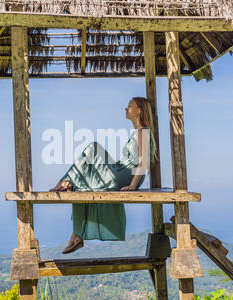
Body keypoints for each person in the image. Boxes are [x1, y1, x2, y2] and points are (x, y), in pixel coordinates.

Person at [50, 97, 158, 254]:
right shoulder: (138, 133)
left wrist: (133, 185)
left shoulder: (143, 133)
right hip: (122, 171)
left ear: (139, 110)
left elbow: (143, 163)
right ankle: (77, 235)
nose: (125, 109)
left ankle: (65, 182)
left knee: (92, 148)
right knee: (83, 188)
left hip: (126, 175)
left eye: (130, 106)